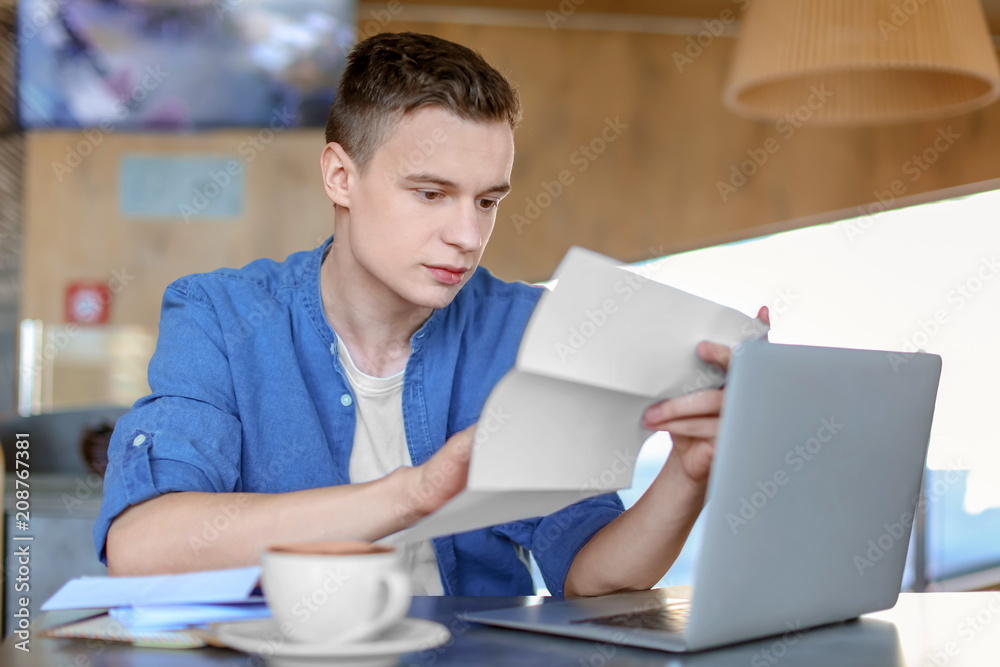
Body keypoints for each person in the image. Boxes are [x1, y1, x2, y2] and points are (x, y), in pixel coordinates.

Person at [96, 31, 769, 598]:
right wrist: (415, 492)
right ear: (340, 176)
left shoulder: (528, 329)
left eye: (486, 201)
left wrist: (688, 472)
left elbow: (587, 573)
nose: (467, 236)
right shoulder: (218, 315)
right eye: (430, 193)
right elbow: (141, 546)